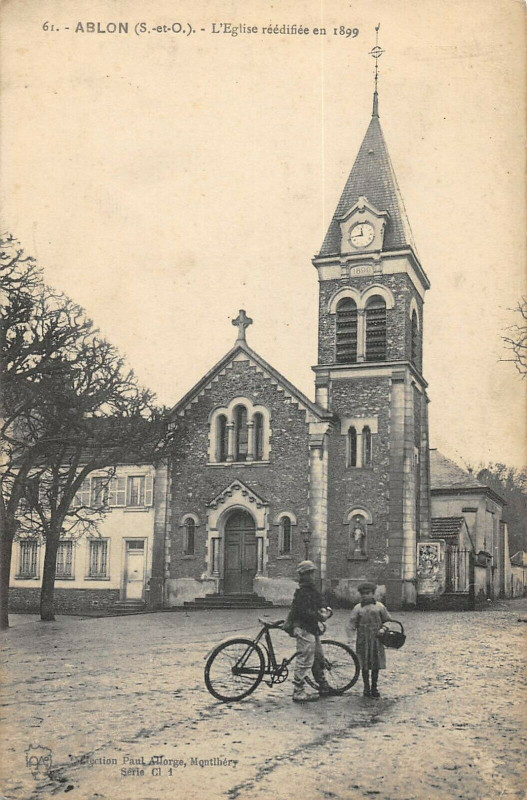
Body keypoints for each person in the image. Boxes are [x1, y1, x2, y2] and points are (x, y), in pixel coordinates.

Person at [288, 560, 334, 703]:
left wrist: (326, 608)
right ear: (303, 575)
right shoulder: (302, 592)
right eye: (309, 573)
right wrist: (320, 616)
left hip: (311, 628)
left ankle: (323, 686)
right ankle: (298, 691)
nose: (312, 576)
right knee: (304, 659)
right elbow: (303, 612)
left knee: (318, 657)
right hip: (303, 628)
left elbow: (320, 600)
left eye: (312, 573)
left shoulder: (311, 589)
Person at [346, 581, 391, 698]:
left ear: (373, 593)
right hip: (363, 640)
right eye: (363, 594)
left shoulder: (380, 607)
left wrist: (384, 629)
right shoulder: (357, 608)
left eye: (368, 593)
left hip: (377, 639)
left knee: (376, 663)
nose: (365, 596)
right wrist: (350, 639)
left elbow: (388, 621)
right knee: (364, 663)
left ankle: (374, 687)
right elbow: (351, 625)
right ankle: (366, 687)